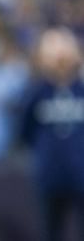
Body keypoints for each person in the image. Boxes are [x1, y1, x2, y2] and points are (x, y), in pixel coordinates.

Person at [21, 28, 84, 241]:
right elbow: (24, 130)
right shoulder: (37, 91)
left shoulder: (81, 89)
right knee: (50, 230)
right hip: (49, 175)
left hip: (81, 173)